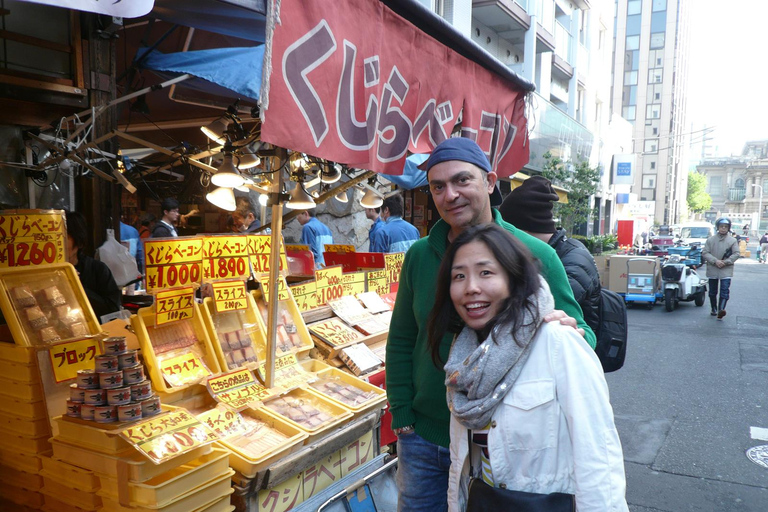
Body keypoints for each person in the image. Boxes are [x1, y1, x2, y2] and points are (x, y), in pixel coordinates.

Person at [386, 137, 594, 512]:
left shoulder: (535, 253)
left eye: (462, 180)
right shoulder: (419, 255)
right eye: (438, 186)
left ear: (490, 181)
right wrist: (401, 412)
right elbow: (402, 337)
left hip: (498, 439)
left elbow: (582, 335)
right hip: (424, 438)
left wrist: (571, 328)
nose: (450, 194)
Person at [427, 224, 628, 512]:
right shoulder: (464, 356)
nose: (471, 287)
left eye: (486, 272)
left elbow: (599, 455)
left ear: (513, 278)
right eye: (459, 276)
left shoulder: (558, 342)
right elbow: (462, 465)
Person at [499, 176, 601, 335]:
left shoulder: (572, 260)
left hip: (578, 350)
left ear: (521, 232)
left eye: (508, 233)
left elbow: (547, 307)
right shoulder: (560, 250)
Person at [66, 211, 121, 320]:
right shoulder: (43, 273)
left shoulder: (98, 269)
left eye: (63, 237)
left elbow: (112, 310)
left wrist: (77, 286)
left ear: (79, 242)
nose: (56, 244)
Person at [702, 217, 740, 319]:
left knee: (725, 290)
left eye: (725, 227)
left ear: (729, 228)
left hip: (726, 269)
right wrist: (715, 261)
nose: (723, 228)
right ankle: (713, 308)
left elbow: (736, 253)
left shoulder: (732, 241)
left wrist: (726, 262)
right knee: (712, 291)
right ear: (717, 227)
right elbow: (705, 252)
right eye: (721, 226)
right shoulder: (710, 240)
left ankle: (721, 309)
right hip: (713, 268)